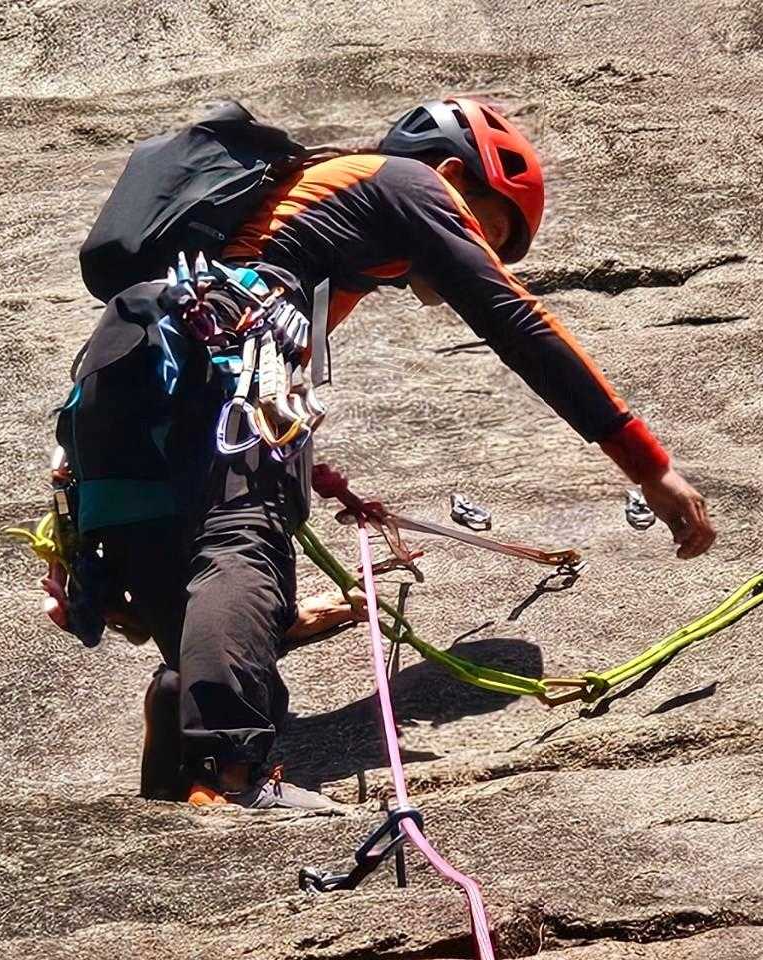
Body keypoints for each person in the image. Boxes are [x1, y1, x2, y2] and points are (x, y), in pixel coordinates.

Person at [92, 97, 718, 808]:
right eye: (484, 228)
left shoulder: (282, 228)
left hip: (121, 372)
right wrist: (649, 467)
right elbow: (517, 323)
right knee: (244, 541)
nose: (477, 250)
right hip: (209, 359)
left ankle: (179, 769)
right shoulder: (403, 182)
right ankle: (229, 777)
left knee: (208, 580)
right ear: (451, 174)